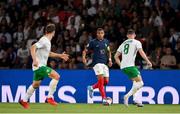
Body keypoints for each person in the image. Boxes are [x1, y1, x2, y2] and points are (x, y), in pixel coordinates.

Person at [19, 23, 69, 109]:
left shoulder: (47, 42)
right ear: (53, 32)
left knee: (35, 85)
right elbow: (32, 47)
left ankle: (24, 100)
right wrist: (34, 60)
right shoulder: (44, 40)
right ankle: (49, 97)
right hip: (39, 66)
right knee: (56, 76)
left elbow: (48, 53)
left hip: (38, 67)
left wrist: (60, 55)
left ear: (46, 31)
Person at [114, 29, 152, 107]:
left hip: (124, 67)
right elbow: (141, 52)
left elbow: (115, 56)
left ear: (127, 36)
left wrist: (121, 65)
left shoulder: (123, 43)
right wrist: (148, 61)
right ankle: (127, 96)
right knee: (141, 83)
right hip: (130, 66)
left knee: (135, 82)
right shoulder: (136, 42)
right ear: (134, 35)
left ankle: (136, 100)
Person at [82, 28, 112, 105]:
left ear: (104, 34)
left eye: (101, 33)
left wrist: (110, 60)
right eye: (98, 33)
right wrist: (83, 58)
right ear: (96, 34)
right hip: (97, 64)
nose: (100, 34)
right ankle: (104, 99)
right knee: (101, 82)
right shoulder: (93, 42)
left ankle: (92, 87)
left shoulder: (106, 42)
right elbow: (85, 50)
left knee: (106, 82)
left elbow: (109, 51)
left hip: (104, 64)